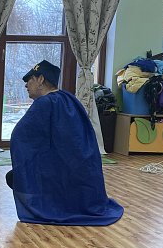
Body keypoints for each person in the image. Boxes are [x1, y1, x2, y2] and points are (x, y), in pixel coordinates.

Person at [7, 60, 124, 226]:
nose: (26, 85)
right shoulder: (70, 99)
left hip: (58, 173)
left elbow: (20, 136)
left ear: (41, 79)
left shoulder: (44, 103)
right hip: (81, 172)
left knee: (16, 176)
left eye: (30, 80)